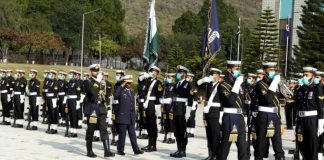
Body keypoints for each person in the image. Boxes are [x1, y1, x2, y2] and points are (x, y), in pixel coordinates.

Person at [217, 61, 249, 160]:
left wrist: (245, 115)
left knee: (243, 146)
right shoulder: (223, 85)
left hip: (240, 117)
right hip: (229, 117)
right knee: (226, 145)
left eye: (238, 69)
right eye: (235, 69)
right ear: (228, 69)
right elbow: (230, 101)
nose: (238, 71)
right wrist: (237, 84)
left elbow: (244, 101)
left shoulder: (240, 84)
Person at [254, 62, 285, 160]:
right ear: (265, 71)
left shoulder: (276, 84)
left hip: (275, 115)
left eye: (274, 70)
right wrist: (274, 83)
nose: (273, 72)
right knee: (261, 144)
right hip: (264, 116)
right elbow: (268, 100)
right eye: (270, 70)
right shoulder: (260, 84)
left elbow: (279, 101)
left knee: (278, 144)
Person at [84, 64, 115, 158]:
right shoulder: (87, 81)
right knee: (91, 130)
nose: (96, 72)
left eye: (97, 71)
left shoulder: (102, 82)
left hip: (101, 108)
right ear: (91, 71)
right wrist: (97, 81)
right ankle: (89, 151)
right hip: (92, 108)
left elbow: (106, 95)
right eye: (94, 71)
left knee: (104, 129)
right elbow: (92, 92)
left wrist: (109, 108)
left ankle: (107, 151)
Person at [295, 67, 323, 160]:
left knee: (312, 144)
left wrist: (321, 123)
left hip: (311, 119)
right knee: (301, 142)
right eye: (304, 75)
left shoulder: (317, 88)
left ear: (313, 76)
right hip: (301, 119)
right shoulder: (301, 89)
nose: (304, 77)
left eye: (307, 75)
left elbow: (320, 106)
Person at [197, 68, 223, 160]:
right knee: (209, 134)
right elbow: (196, 84)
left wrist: (221, 113)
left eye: (215, 74)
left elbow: (223, 101)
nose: (213, 76)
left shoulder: (221, 85)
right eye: (211, 74)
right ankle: (210, 154)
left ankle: (216, 155)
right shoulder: (208, 84)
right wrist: (204, 79)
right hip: (207, 112)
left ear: (219, 76)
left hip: (215, 112)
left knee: (215, 135)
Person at [114, 75, 144, 156]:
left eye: (130, 83)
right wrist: (122, 85)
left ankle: (136, 149)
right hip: (123, 116)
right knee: (122, 135)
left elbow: (132, 104)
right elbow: (116, 95)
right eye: (128, 83)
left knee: (133, 135)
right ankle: (120, 149)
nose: (130, 84)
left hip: (131, 117)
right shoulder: (120, 90)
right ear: (124, 82)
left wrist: (134, 116)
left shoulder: (131, 91)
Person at [170, 65, 193, 158]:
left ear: (185, 74)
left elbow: (190, 99)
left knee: (182, 131)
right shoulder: (177, 83)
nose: (179, 74)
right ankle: (178, 149)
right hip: (175, 109)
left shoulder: (188, 84)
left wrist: (188, 111)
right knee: (176, 131)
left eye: (181, 72)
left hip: (182, 109)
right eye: (178, 72)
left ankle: (183, 150)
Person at [141, 66, 163, 152]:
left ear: (157, 73)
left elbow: (159, 95)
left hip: (153, 105)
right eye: (151, 71)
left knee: (153, 125)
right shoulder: (148, 81)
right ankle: (149, 143)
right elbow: (140, 81)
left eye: (154, 71)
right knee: (148, 125)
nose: (152, 73)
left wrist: (157, 109)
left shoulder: (158, 82)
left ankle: (153, 145)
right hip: (147, 103)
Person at [111, 70, 125, 145]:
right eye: (116, 74)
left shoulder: (123, 84)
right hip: (115, 105)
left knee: (119, 123)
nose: (117, 76)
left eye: (118, 75)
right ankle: (114, 138)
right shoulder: (117, 84)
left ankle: (119, 139)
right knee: (114, 122)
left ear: (122, 76)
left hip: (120, 106)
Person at [66, 70, 82, 137]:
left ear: (74, 75)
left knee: (74, 115)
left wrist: (78, 102)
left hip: (74, 100)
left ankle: (75, 131)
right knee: (70, 115)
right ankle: (72, 130)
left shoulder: (77, 82)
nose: (70, 75)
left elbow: (78, 93)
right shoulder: (70, 82)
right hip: (69, 100)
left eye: (71, 74)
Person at [161, 73, 176, 144]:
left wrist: (172, 103)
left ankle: (172, 137)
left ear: (173, 78)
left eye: (170, 77)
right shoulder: (167, 86)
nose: (169, 78)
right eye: (168, 77)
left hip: (171, 105)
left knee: (171, 121)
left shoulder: (175, 85)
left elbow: (175, 96)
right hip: (165, 105)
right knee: (166, 120)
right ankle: (167, 136)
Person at [45, 70, 59, 134]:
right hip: (49, 98)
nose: (49, 75)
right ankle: (51, 127)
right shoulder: (50, 82)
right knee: (50, 113)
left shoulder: (55, 82)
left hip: (53, 99)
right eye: (49, 74)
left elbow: (55, 92)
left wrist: (54, 101)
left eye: (51, 74)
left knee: (54, 113)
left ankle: (54, 128)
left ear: (54, 75)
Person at [186, 73, 198, 138]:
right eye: (187, 76)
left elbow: (195, 95)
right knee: (187, 117)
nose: (188, 77)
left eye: (189, 77)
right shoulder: (186, 84)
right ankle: (187, 131)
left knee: (191, 118)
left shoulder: (193, 85)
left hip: (193, 103)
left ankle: (192, 132)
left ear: (192, 78)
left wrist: (194, 104)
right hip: (187, 103)